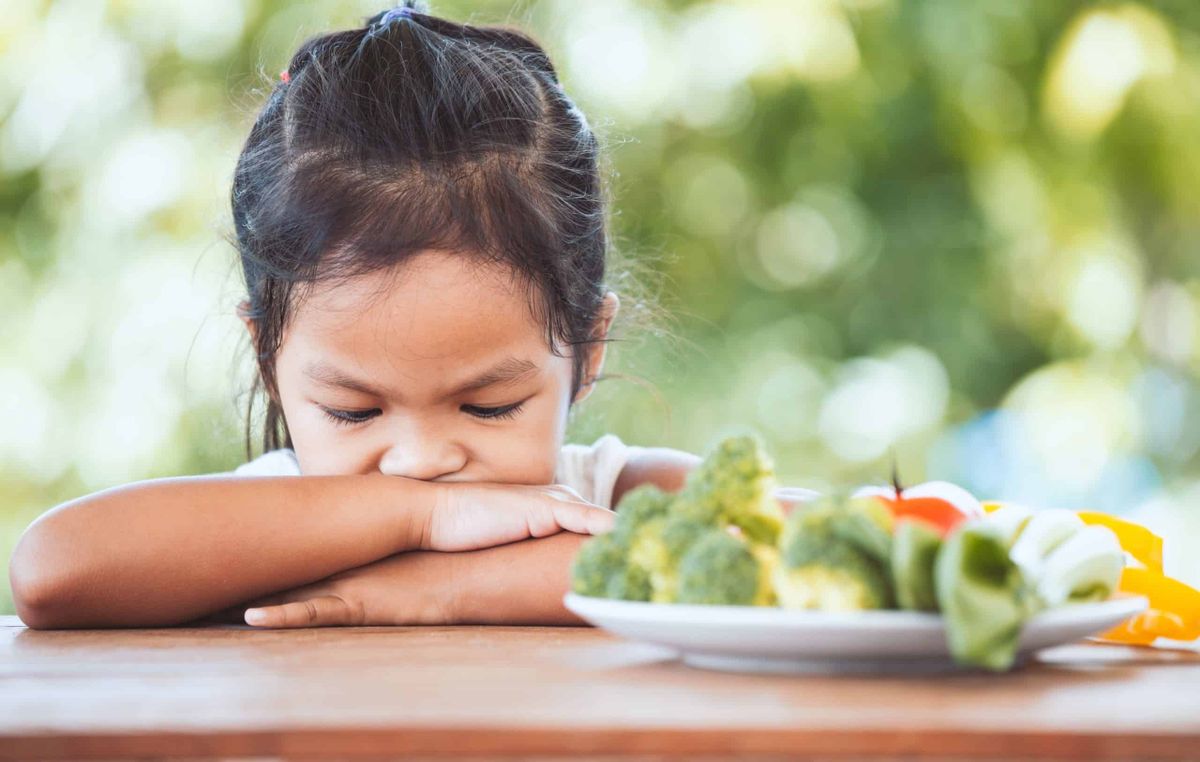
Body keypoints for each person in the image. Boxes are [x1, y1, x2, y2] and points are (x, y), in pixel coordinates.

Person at [7, 1, 703, 630]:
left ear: (590, 349)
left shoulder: (606, 495)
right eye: (353, 411)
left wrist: (450, 589)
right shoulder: (264, 521)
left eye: (489, 406)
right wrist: (427, 519)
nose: (420, 461)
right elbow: (51, 572)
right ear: (268, 361)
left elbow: (797, 540)